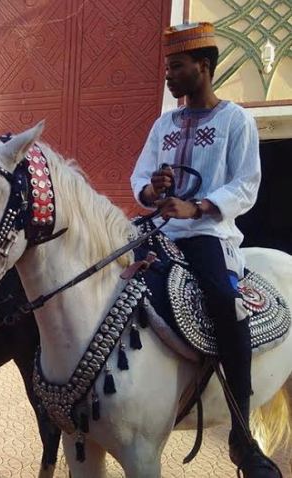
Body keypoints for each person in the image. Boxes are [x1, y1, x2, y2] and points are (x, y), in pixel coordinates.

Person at [131, 22, 277, 477]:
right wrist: (153, 192)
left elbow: (246, 184)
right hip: (160, 230)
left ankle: (241, 432)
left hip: (209, 234)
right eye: (167, 67)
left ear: (204, 67)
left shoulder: (236, 120)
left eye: (176, 66)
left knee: (222, 300)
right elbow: (139, 177)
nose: (168, 75)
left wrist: (196, 208)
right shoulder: (163, 124)